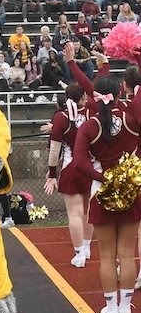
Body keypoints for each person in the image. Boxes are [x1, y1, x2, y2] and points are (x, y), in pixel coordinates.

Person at [73, 76, 141, 313]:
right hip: (131, 190)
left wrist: (104, 178)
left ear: (94, 97)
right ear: (120, 92)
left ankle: (111, 309)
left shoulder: (89, 127)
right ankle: (126, 308)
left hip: (101, 192)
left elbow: (80, 164)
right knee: (126, 253)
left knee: (106, 255)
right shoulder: (131, 120)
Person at [44, 81, 95, 267]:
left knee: (74, 213)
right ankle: (87, 248)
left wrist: (51, 174)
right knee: (88, 211)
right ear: (83, 97)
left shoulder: (61, 117)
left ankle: (80, 253)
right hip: (91, 166)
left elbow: (54, 150)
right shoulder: (92, 112)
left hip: (71, 166)